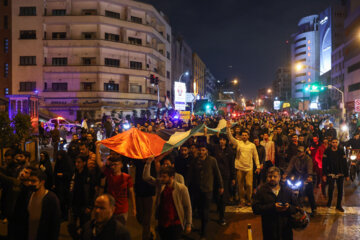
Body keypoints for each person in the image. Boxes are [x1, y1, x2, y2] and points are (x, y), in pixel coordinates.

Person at [143, 163, 192, 240]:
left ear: (172, 177)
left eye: (164, 177)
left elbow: (187, 207)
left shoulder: (181, 188)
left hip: (176, 223)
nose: (161, 178)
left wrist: (188, 224)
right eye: (161, 176)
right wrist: (148, 163)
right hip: (162, 222)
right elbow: (146, 178)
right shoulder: (161, 184)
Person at [187, 143, 224, 240]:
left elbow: (217, 173)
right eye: (200, 150)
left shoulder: (212, 160)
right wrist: (187, 186)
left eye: (203, 150)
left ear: (206, 151)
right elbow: (190, 175)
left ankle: (204, 232)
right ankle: (202, 226)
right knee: (199, 210)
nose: (201, 152)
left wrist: (221, 186)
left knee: (205, 210)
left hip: (208, 189)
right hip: (197, 189)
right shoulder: (194, 161)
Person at [95, 142, 136, 225]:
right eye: (112, 165)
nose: (113, 167)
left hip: (122, 210)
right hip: (110, 208)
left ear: (121, 165)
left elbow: (131, 193)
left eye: (116, 165)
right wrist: (97, 148)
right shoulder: (109, 174)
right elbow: (99, 163)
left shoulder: (126, 177)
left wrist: (134, 208)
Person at [252, 166, 298, 240]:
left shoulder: (287, 190)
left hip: (285, 232)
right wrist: (273, 207)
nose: (272, 178)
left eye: (275, 176)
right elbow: (255, 208)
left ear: (279, 177)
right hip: (269, 231)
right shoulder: (262, 191)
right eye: (270, 176)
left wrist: (288, 207)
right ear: (267, 177)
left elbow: (296, 207)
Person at [226, 123, 260, 206]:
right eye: (243, 135)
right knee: (240, 186)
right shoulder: (238, 143)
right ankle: (242, 200)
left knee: (249, 185)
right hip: (239, 167)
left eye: (246, 135)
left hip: (249, 168)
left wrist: (258, 166)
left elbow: (256, 156)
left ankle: (249, 199)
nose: (244, 136)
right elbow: (230, 137)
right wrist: (228, 129)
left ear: (248, 136)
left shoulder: (252, 145)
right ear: (241, 136)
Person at [27, 168, 61, 240]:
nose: (30, 183)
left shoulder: (51, 199)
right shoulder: (29, 195)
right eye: (29, 180)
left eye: (33, 181)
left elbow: (55, 224)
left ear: (42, 182)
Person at [283, 146, 317, 217]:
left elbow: (310, 169)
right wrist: (286, 174)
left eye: (300, 152)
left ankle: (314, 209)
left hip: (305, 177)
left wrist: (309, 176)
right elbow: (290, 166)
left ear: (304, 152)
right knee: (289, 189)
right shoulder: (294, 158)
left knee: (309, 192)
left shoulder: (308, 159)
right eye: (298, 151)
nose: (299, 153)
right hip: (296, 177)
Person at [68, 155, 96, 239]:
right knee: (71, 225)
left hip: (84, 204)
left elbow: (92, 191)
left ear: (84, 163)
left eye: (79, 162)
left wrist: (90, 206)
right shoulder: (74, 173)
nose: (77, 164)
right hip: (74, 203)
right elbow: (71, 187)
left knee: (84, 226)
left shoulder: (88, 175)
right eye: (76, 162)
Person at [322, 138, 349, 212]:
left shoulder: (341, 151)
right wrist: (324, 174)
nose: (334, 144)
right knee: (331, 188)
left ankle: (338, 205)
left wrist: (347, 175)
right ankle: (329, 202)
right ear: (331, 143)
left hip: (340, 173)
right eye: (333, 142)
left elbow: (344, 163)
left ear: (337, 143)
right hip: (330, 173)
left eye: (336, 142)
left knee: (340, 190)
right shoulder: (327, 151)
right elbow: (324, 163)